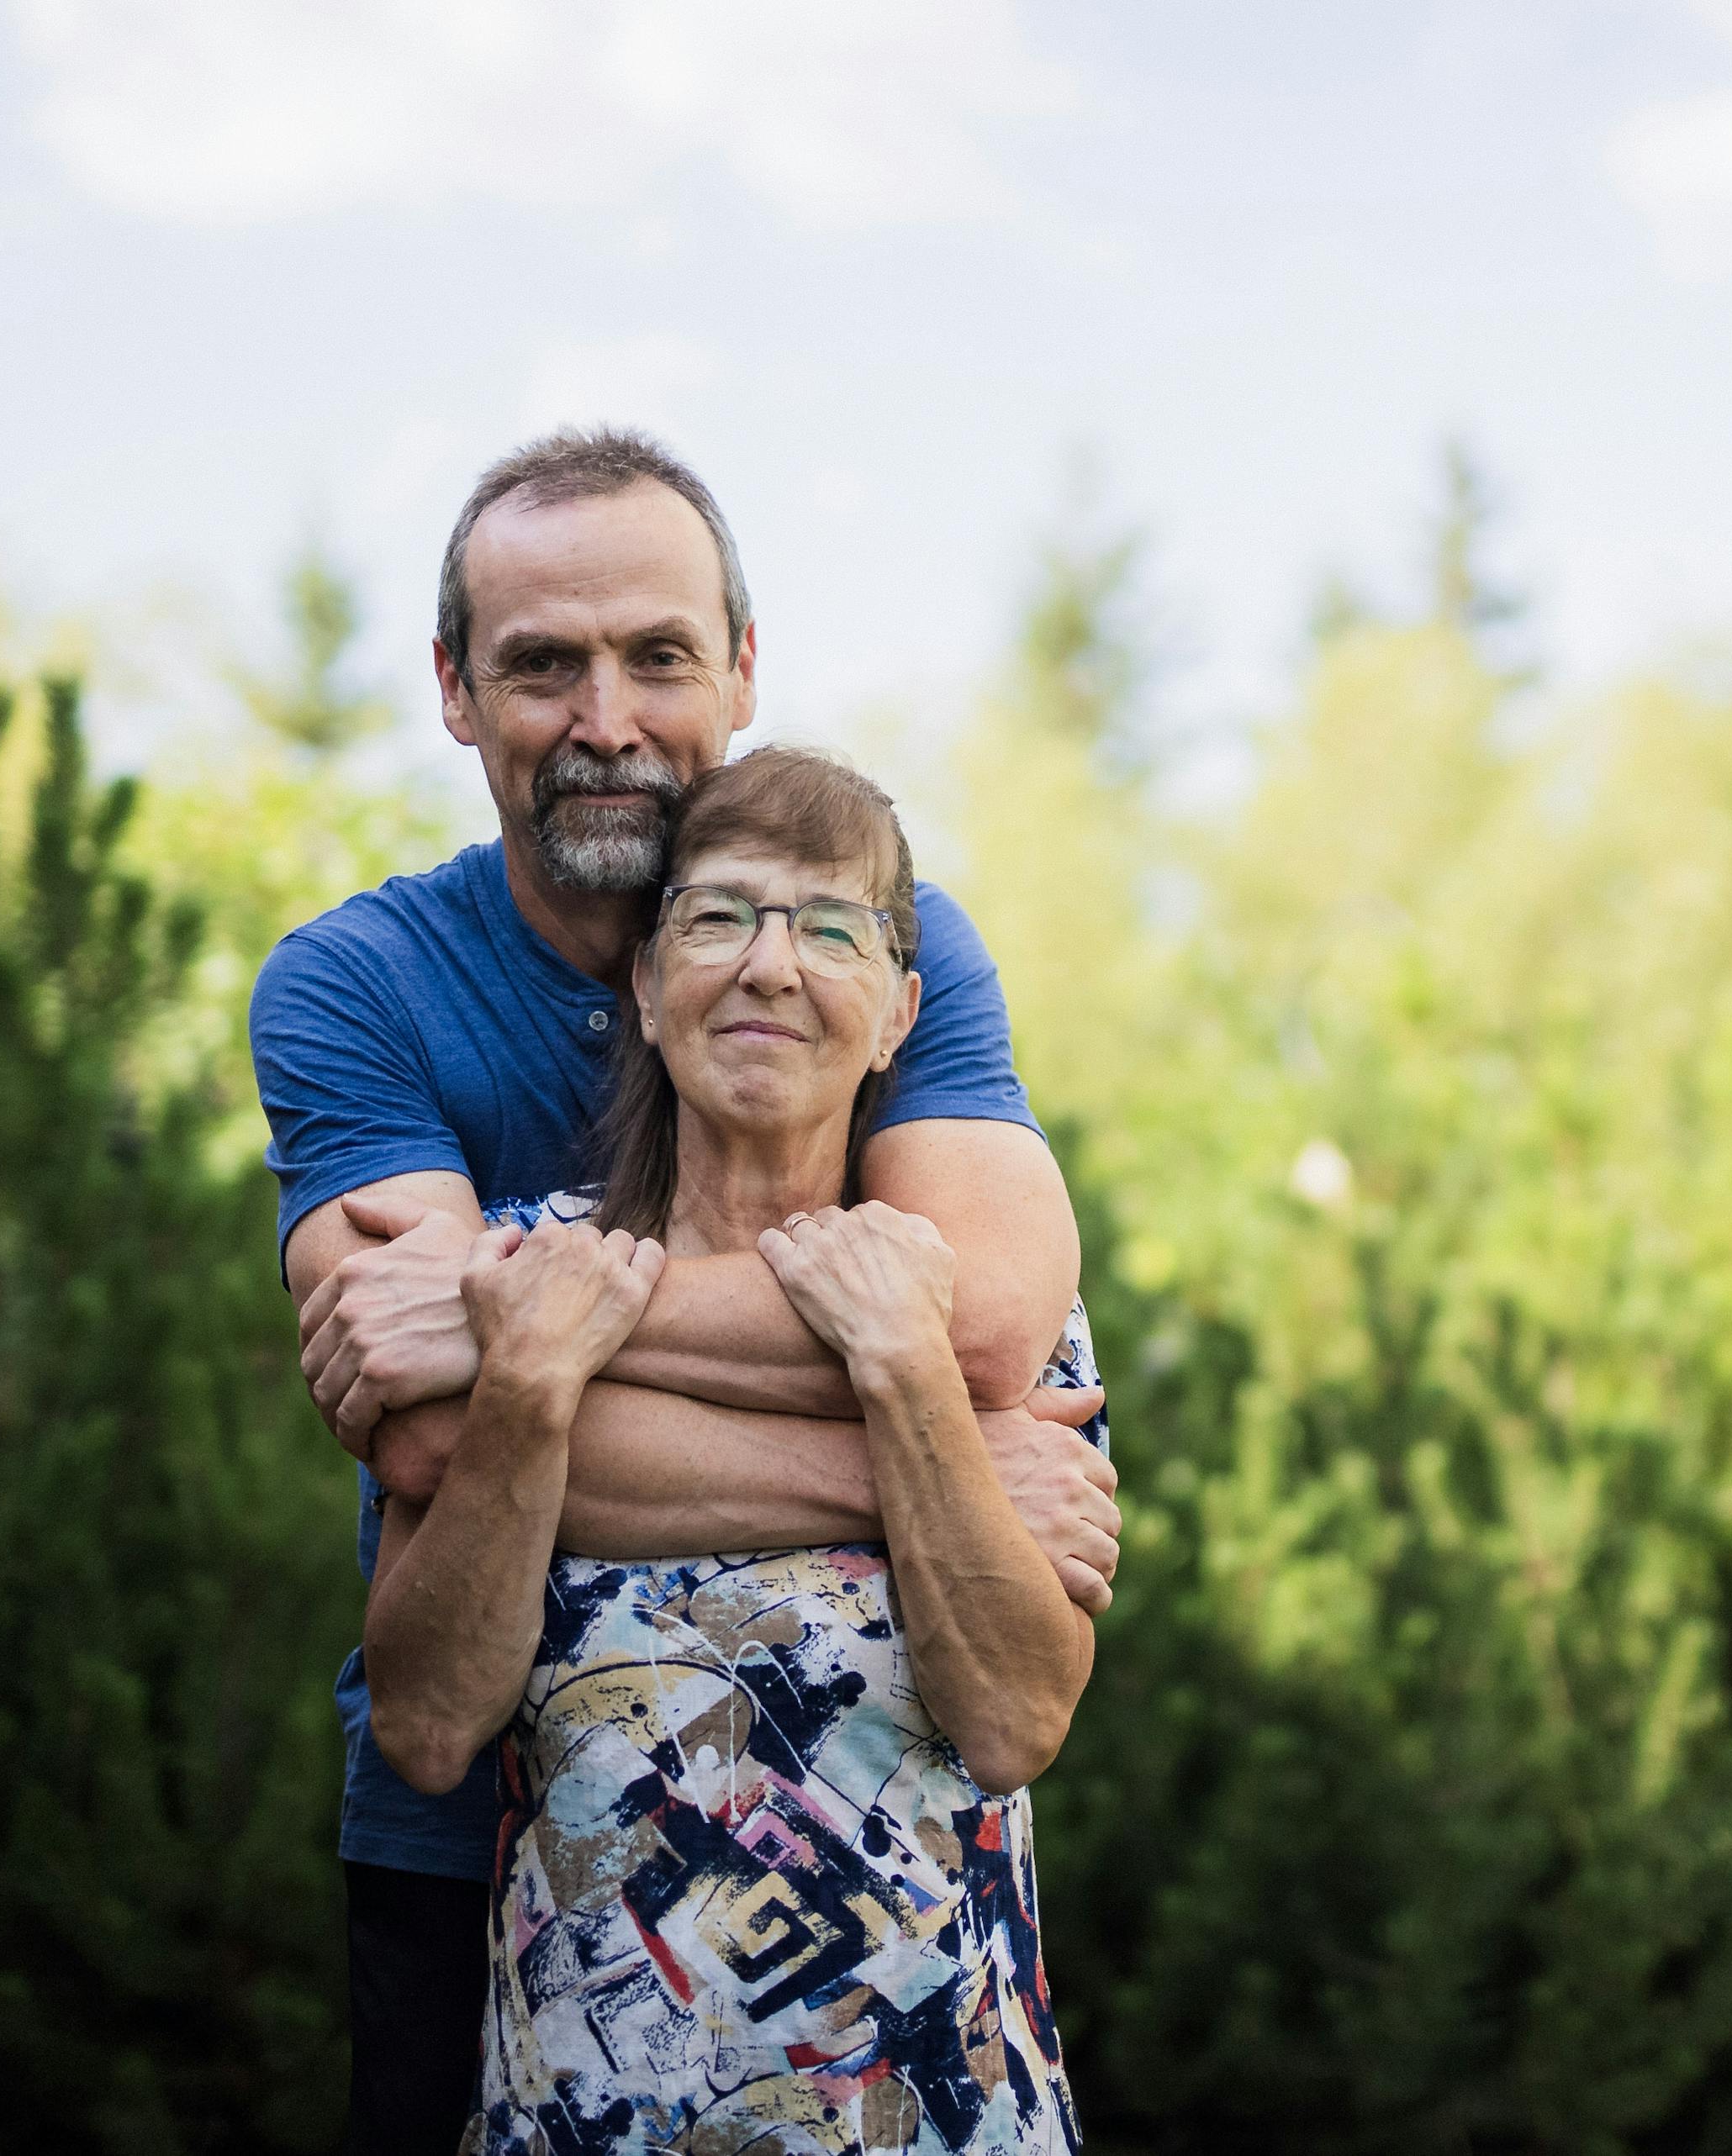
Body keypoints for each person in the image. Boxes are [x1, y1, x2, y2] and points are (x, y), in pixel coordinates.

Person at [251, 429, 1119, 2155]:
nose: (606, 715)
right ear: (453, 688)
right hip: (489, 1849)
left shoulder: (898, 931)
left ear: (737, 665)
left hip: (891, 1935)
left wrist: (526, 1324)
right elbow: (432, 1437)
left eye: (657, 653)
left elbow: (984, 1334)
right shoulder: (358, 980)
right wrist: (935, 1472)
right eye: (541, 664)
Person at [365, 748, 1091, 2153]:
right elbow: (428, 1727)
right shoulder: (517, 1274)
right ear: (644, 987)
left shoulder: (983, 1308)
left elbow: (1013, 1719)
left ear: (900, 1014)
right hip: (593, 2115)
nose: (771, 965)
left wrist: (901, 1371)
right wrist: (527, 1376)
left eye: (832, 928)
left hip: (937, 2119)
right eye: (717, 917)